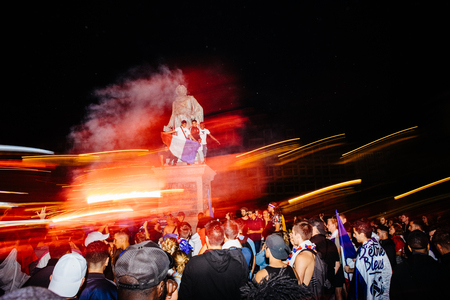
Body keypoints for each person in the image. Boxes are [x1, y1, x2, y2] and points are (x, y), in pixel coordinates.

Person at [179, 220, 247, 300]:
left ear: (207, 239)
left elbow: (184, 295)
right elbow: (243, 292)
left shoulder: (193, 264)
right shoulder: (236, 263)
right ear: (224, 238)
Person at [390, 230, 444, 300]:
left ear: (409, 248)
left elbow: (394, 295)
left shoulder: (399, 269)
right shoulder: (440, 268)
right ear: (428, 246)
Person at [347, 219, 392, 300]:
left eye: (355, 233)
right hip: (382, 292)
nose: (353, 235)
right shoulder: (379, 248)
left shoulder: (363, 253)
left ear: (362, 234)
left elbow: (358, 283)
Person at [309, 217, 340, 298]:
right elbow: (337, 265)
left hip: (315, 288)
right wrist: (329, 278)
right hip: (329, 286)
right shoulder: (331, 243)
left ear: (314, 229)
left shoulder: (309, 245)